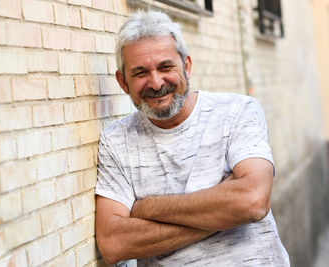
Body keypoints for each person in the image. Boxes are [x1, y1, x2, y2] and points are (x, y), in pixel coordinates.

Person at [95, 10, 290, 266]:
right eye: (140, 73)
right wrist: (224, 213)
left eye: (166, 67)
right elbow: (113, 243)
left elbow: (252, 202)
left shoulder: (237, 112)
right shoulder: (116, 141)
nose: (155, 82)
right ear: (122, 82)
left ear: (186, 66)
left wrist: (147, 208)